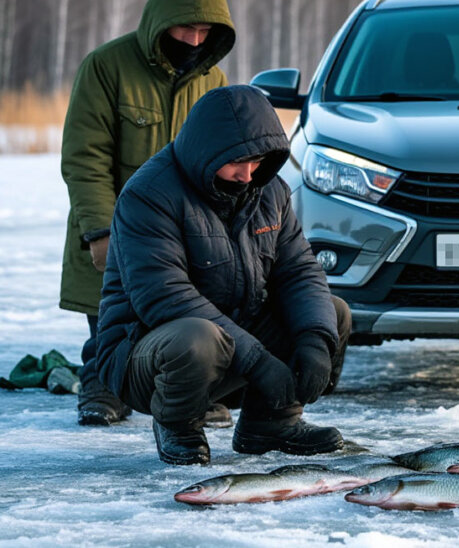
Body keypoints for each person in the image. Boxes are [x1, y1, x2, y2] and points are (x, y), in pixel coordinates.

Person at [92, 85, 351, 465]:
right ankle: (177, 424)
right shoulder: (148, 195)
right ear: (207, 151)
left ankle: (272, 423)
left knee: (332, 311)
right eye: (237, 161)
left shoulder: (270, 191)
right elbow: (164, 296)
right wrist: (258, 361)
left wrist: (315, 340)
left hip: (232, 339)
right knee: (199, 335)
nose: (247, 175)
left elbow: (299, 271)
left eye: (258, 160)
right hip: (144, 353)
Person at [59, 0, 235, 427]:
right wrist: (100, 229)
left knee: (181, 307)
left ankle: (191, 385)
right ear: (159, 20)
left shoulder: (213, 82)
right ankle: (102, 382)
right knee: (112, 314)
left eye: (204, 32)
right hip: (114, 220)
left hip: (182, 226)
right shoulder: (106, 66)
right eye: (185, 28)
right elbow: (85, 157)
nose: (194, 41)